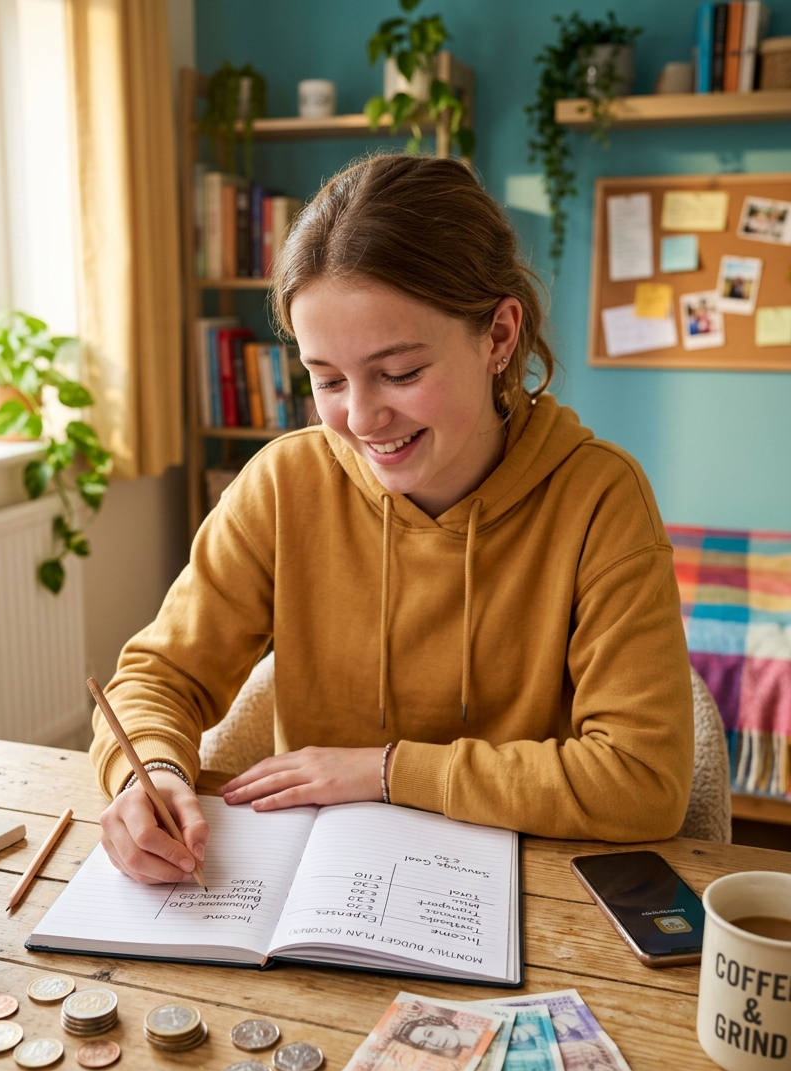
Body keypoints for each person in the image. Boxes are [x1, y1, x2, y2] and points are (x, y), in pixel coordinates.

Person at [92, 154, 694, 886]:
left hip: (528, 897)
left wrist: (385, 771)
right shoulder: (283, 485)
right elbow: (160, 675)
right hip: (325, 896)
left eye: (402, 373)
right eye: (327, 379)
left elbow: (641, 780)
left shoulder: (601, 499)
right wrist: (144, 774)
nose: (363, 417)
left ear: (499, 336)